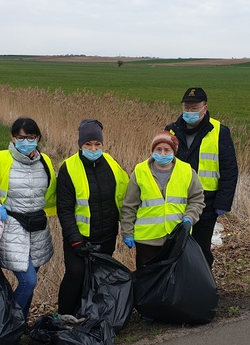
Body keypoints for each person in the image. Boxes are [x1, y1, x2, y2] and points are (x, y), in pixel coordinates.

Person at [56, 119, 129, 316]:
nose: (93, 148)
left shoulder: (112, 164)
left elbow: (123, 197)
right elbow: (64, 208)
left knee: (99, 276)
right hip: (79, 238)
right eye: (88, 144)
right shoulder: (68, 168)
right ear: (80, 145)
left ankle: (92, 315)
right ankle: (64, 316)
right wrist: (75, 239)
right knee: (76, 274)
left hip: (106, 235)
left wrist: (128, 229)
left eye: (97, 144)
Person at [0, 117, 57, 319]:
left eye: (31, 137)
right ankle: (8, 322)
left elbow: (52, 191)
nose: (26, 141)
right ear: (13, 137)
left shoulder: (45, 161)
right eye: (21, 137)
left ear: (38, 138)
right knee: (29, 281)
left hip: (37, 227)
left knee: (30, 280)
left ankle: (20, 326)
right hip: (11, 225)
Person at [165, 87, 238, 268]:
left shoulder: (219, 131)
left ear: (204, 108)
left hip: (207, 203)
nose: (189, 112)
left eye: (194, 108)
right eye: (186, 108)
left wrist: (223, 203)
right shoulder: (171, 131)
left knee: (201, 249)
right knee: (175, 248)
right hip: (176, 201)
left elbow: (229, 170)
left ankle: (202, 289)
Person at [120, 131, 205, 268]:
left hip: (176, 237)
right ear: (152, 150)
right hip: (147, 239)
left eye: (167, 149)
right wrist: (127, 232)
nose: (163, 153)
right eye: (158, 149)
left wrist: (190, 217)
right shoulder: (140, 171)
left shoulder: (187, 171)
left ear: (174, 151)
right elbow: (129, 205)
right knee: (147, 280)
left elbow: (197, 199)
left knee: (173, 280)